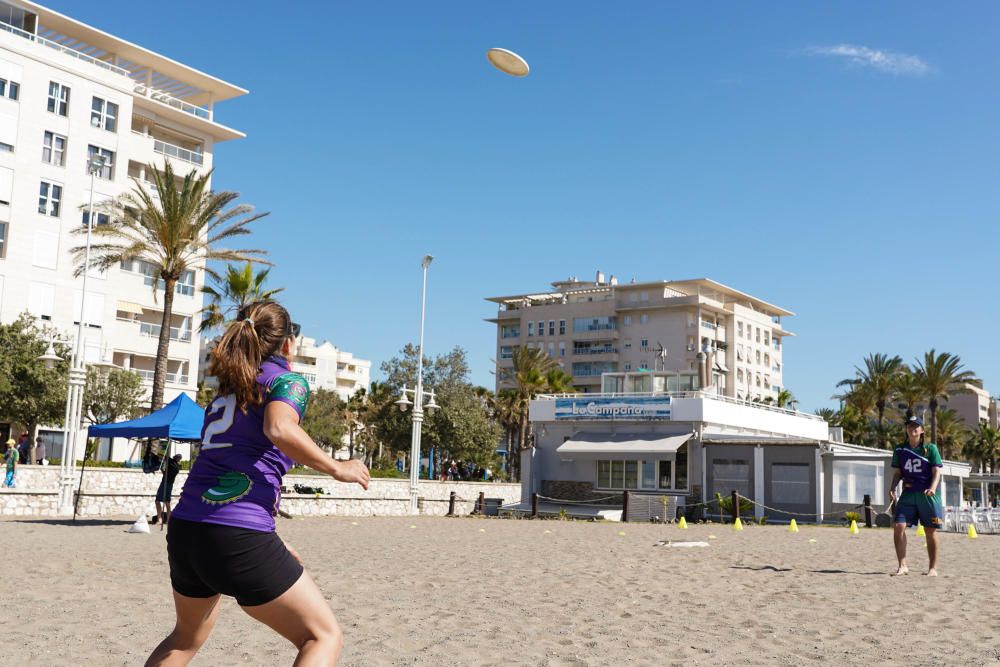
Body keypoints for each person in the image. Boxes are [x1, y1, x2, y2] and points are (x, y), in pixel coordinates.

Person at [147, 301, 370, 666]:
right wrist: (337, 467)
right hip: (235, 536)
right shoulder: (286, 381)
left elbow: (232, 467)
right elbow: (279, 428)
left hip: (187, 530)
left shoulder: (224, 393)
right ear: (287, 345)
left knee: (185, 638)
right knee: (322, 636)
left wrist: (271, 540)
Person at [889, 415, 943, 577]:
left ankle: (932, 568)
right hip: (908, 493)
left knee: (930, 530)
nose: (912, 429)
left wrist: (933, 487)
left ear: (922, 430)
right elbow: (898, 472)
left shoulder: (930, 448)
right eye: (909, 426)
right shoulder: (900, 449)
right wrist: (892, 488)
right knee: (898, 527)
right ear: (906, 429)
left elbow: (937, 471)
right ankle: (902, 565)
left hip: (927, 495)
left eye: (916, 426)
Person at [152, 454, 183, 529]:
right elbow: (165, 471)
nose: (177, 458)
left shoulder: (174, 464)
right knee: (159, 501)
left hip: (167, 484)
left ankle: (165, 519)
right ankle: (162, 519)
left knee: (166, 502)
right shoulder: (174, 464)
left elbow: (164, 457)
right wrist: (163, 468)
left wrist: (157, 455)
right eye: (177, 457)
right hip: (165, 483)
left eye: (179, 457)